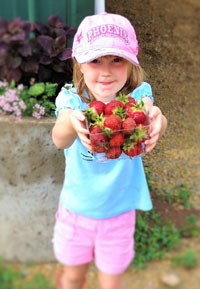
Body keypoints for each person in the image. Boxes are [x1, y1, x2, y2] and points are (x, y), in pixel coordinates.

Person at [52, 12, 167, 289]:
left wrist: (158, 123)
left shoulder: (139, 97)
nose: (105, 71)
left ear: (130, 63)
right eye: (95, 60)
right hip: (75, 213)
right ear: (80, 65)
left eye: (116, 59)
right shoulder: (71, 100)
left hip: (119, 214)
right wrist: (71, 121)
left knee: (111, 283)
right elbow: (59, 139)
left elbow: (156, 115)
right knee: (72, 277)